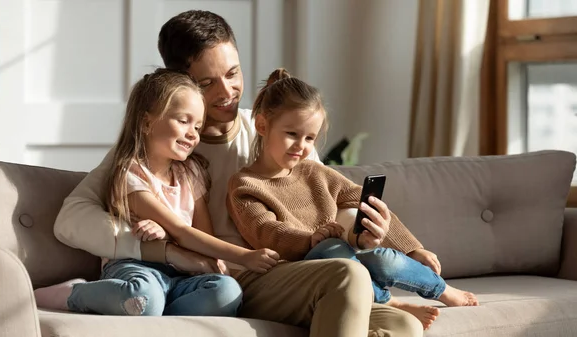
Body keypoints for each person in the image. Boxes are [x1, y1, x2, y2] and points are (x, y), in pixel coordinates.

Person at [52, 10, 428, 337]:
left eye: (233, 73)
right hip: (237, 280)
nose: (227, 91)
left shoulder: (273, 129)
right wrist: (159, 249)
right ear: (180, 82)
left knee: (402, 326)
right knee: (347, 277)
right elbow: (71, 219)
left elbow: (322, 202)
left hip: (301, 274)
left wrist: (361, 232)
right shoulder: (162, 145)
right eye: (206, 83)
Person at [227, 68, 480, 330]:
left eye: (309, 138)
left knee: (382, 258)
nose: (301, 146)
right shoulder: (245, 185)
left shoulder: (316, 173)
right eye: (291, 134)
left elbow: (366, 203)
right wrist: (312, 238)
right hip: (298, 272)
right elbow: (265, 231)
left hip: (342, 263)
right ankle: (386, 300)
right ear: (262, 126)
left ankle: (441, 289)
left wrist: (413, 249)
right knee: (330, 249)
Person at [35, 69, 279, 316]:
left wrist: (214, 264)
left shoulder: (191, 173)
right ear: (146, 121)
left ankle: (155, 314)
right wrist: (246, 256)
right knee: (143, 296)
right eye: (183, 121)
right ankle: (73, 294)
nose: (193, 134)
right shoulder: (130, 173)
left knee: (227, 292)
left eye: (197, 125)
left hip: (179, 276)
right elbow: (182, 232)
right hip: (136, 268)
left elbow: (202, 234)